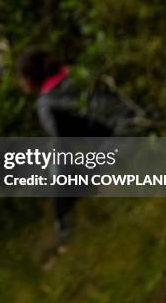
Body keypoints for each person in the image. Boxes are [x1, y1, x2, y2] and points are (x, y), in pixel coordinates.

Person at [16, 46, 138, 241]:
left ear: (30, 79)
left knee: (58, 160)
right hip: (135, 123)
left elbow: (63, 145)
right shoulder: (80, 74)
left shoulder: (47, 104)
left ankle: (64, 227)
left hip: (118, 144)